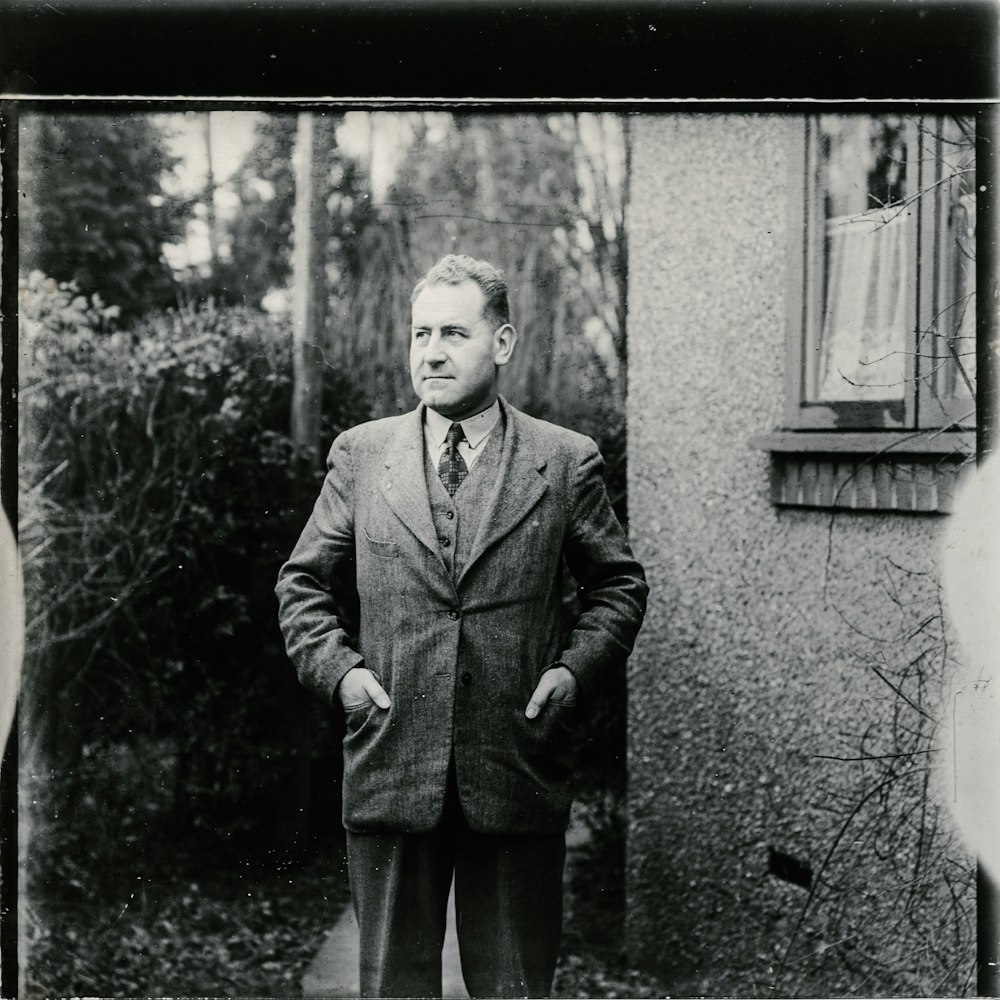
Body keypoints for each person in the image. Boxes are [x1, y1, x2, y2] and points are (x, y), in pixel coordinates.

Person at [275, 254, 647, 998]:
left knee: (512, 986)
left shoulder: (565, 462)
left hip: (515, 764)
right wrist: (343, 676)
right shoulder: (362, 453)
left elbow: (619, 585)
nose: (432, 352)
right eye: (420, 334)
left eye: (453, 332)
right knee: (393, 987)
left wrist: (571, 673)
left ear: (501, 344)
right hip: (391, 761)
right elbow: (302, 583)